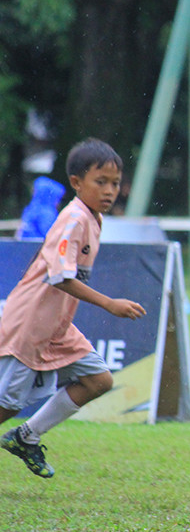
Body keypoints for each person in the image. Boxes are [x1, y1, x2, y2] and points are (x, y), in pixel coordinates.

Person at [1, 139, 147, 478]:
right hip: (31, 323)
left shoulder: (92, 218)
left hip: (56, 326)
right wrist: (110, 303)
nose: (110, 190)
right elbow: (59, 277)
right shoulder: (74, 220)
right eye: (101, 182)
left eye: (115, 182)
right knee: (7, 403)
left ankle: (26, 436)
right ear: (76, 183)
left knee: (98, 380)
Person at [15, 175, 65, 240]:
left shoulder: (31, 209)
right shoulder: (47, 213)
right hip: (37, 248)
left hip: (24, 247)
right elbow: (51, 237)